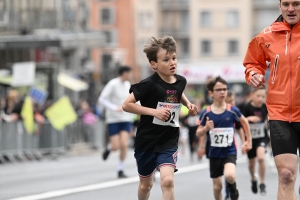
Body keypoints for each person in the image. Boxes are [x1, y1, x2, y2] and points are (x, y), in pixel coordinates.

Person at [122, 36, 197, 200]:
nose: (172, 63)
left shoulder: (180, 81)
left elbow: (177, 92)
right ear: (154, 64)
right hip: (146, 141)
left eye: (174, 58)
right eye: (166, 59)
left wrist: (188, 104)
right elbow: (126, 105)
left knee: (168, 181)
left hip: (168, 140)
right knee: (146, 185)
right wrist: (154, 112)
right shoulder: (148, 84)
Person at [243, 1, 300, 199]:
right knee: (286, 176)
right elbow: (252, 63)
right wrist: (254, 75)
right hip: (280, 113)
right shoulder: (267, 34)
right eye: (286, 4)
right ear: (280, 6)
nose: (291, 9)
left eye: (297, 3)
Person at [196, 76, 252, 200]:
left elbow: (245, 123)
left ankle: (232, 187)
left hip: (229, 151)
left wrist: (248, 141)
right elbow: (198, 133)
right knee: (217, 187)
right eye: (218, 90)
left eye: (224, 89)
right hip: (214, 153)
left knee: (230, 176)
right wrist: (205, 129)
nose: (222, 92)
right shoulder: (206, 112)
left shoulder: (232, 110)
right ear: (211, 93)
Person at [98, 66, 133, 178]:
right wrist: (114, 107)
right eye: (128, 73)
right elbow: (102, 99)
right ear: (124, 73)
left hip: (125, 118)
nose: (130, 75)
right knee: (115, 146)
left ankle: (120, 169)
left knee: (124, 144)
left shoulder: (128, 85)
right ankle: (109, 148)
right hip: (113, 119)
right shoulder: (113, 84)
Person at [241, 87, 269, 196]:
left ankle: (262, 183)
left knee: (261, 157)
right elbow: (240, 120)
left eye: (263, 96)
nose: (260, 99)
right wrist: (249, 119)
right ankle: (253, 178)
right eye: (258, 96)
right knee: (252, 163)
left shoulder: (265, 107)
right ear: (252, 95)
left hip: (262, 136)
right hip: (250, 138)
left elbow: (268, 121)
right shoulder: (246, 107)